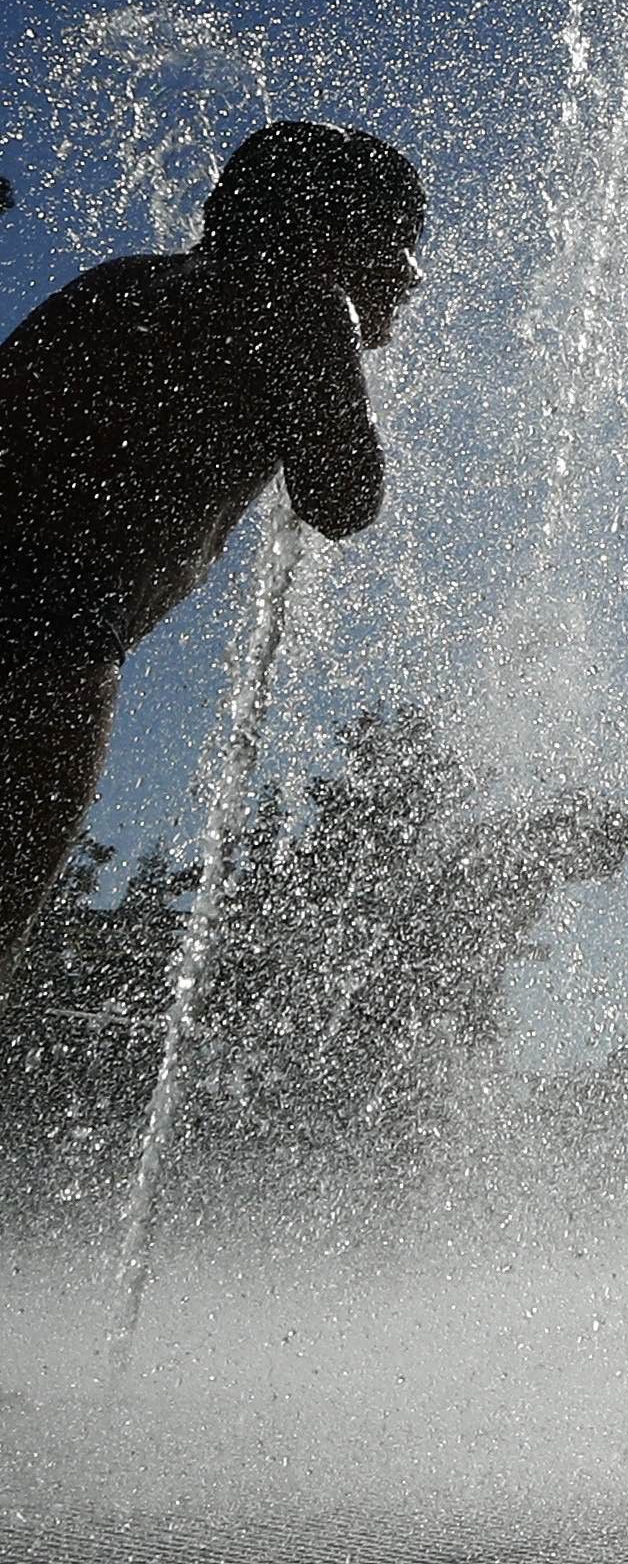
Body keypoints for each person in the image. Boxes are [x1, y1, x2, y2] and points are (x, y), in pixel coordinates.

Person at [1, 121, 424, 974]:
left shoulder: (120, 283)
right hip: (45, 646)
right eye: (402, 247)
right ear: (339, 234)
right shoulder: (300, 305)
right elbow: (344, 500)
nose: (411, 282)